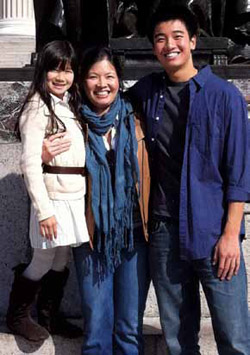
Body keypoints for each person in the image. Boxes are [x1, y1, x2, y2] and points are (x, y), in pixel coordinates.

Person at [128, 4, 250, 354]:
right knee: (178, 340)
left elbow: (239, 174)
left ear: (193, 41)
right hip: (164, 233)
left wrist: (231, 235)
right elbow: (101, 108)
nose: (170, 45)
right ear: (154, 47)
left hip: (215, 233)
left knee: (234, 338)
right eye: (160, 39)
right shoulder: (147, 93)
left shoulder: (224, 97)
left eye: (178, 37)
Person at [42, 46, 150, 354]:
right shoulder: (72, 123)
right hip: (90, 237)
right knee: (97, 329)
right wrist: (41, 155)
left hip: (134, 236)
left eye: (109, 76)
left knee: (129, 329)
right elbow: (40, 167)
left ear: (119, 80)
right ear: (81, 81)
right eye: (93, 76)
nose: (102, 84)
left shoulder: (137, 119)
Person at [6, 40, 87, 341]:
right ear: (43, 70)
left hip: (72, 195)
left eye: (67, 70)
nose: (61, 77)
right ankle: (17, 315)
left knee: (61, 258)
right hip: (52, 197)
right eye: (55, 69)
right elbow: (29, 163)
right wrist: (44, 210)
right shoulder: (37, 107)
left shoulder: (67, 104)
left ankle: (49, 316)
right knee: (42, 259)